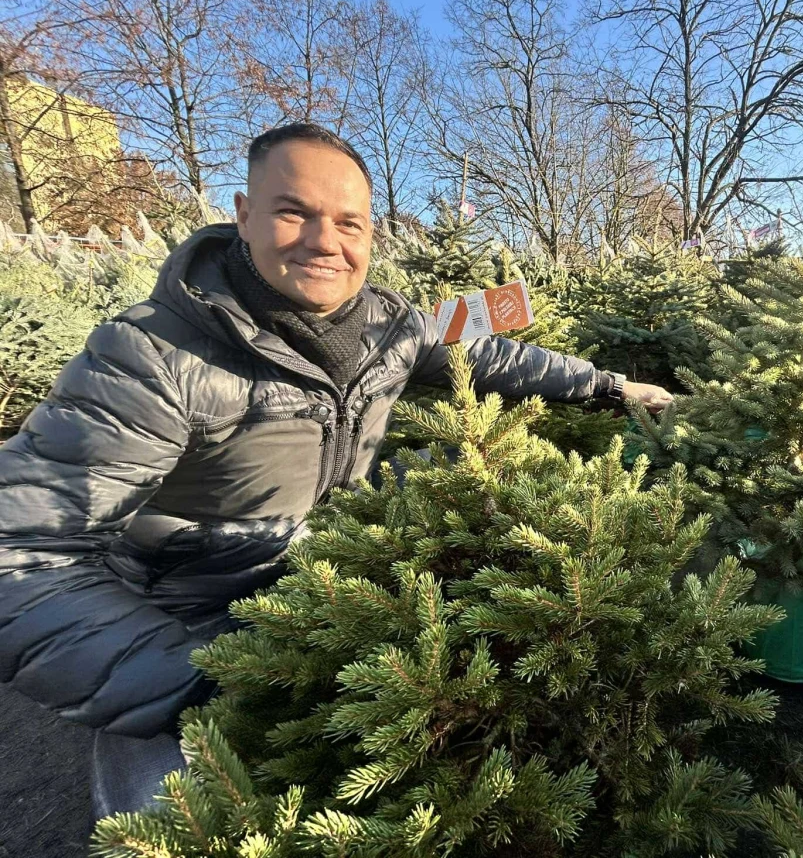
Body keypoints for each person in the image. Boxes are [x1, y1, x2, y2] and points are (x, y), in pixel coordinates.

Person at [0, 123, 673, 823]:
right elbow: (20, 552)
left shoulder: (389, 325)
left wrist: (610, 386)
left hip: (329, 582)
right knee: (171, 822)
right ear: (244, 214)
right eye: (294, 212)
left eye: (348, 222)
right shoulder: (149, 357)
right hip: (188, 621)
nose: (326, 241)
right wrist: (207, 683)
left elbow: (491, 355)